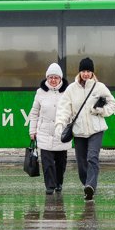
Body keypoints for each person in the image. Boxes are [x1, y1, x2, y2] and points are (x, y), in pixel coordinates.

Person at [55, 57, 115, 201]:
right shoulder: (71, 89)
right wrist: (60, 125)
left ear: (92, 72)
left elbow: (113, 104)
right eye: (83, 71)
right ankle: (87, 186)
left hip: (96, 130)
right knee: (81, 162)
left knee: (92, 157)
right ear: (79, 72)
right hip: (79, 131)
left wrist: (100, 111)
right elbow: (64, 109)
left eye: (88, 71)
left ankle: (91, 185)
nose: (86, 74)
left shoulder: (99, 87)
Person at [28, 62, 70, 195]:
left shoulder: (67, 92)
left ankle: (59, 183)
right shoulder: (40, 92)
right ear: (47, 78)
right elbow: (34, 113)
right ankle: (50, 186)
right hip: (44, 132)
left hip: (61, 133)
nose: (53, 80)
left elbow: (72, 111)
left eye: (56, 77)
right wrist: (32, 131)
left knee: (60, 163)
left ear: (60, 79)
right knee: (47, 162)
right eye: (50, 77)